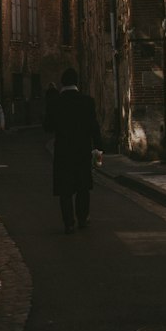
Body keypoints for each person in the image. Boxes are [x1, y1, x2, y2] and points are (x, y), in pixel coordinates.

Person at [51, 67, 101, 232]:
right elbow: (94, 127)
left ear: (62, 83)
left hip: (63, 152)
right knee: (82, 186)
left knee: (65, 190)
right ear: (77, 82)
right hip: (82, 150)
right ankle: (82, 219)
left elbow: (47, 126)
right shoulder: (87, 101)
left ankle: (68, 223)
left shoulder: (56, 102)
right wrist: (98, 148)